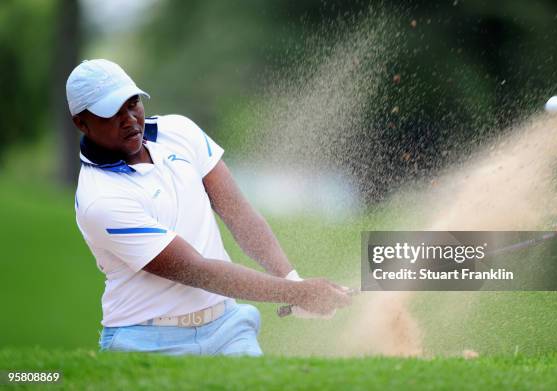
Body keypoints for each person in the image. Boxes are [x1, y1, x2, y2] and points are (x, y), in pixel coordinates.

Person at [66, 59, 351, 356]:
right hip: (147, 341)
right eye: (112, 112)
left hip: (228, 327)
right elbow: (197, 270)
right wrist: (300, 293)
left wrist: (291, 280)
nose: (129, 119)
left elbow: (238, 213)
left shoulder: (179, 131)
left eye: (133, 103)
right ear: (81, 123)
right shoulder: (100, 199)